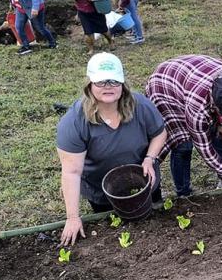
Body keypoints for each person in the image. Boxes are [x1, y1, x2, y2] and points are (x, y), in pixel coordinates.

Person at [57, 53, 167, 246]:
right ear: (90, 84)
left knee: (153, 225)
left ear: (122, 84)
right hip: (103, 190)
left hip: (143, 182)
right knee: (114, 235)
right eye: (101, 82)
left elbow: (159, 133)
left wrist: (150, 159)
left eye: (114, 81)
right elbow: (72, 172)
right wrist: (72, 217)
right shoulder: (74, 122)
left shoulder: (139, 105)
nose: (108, 86)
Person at [146, 55, 222, 196]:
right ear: (215, 105)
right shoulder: (198, 106)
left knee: (221, 134)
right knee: (183, 145)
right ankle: (183, 192)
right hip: (165, 86)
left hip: (193, 73)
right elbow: (204, 148)